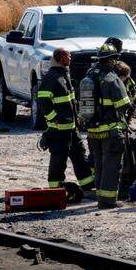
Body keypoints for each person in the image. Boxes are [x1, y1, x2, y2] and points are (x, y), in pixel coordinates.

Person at [36, 48, 95, 194]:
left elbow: (70, 101)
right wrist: (54, 119)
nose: (71, 58)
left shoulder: (64, 75)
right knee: (58, 159)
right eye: (69, 56)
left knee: (79, 155)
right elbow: (43, 101)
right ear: (62, 58)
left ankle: (87, 184)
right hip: (59, 130)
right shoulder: (51, 78)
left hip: (71, 128)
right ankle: (55, 189)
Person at [84, 43, 131, 208]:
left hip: (92, 132)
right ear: (112, 60)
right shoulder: (112, 78)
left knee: (99, 164)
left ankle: (100, 197)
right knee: (112, 165)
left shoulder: (88, 76)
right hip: (110, 131)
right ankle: (108, 201)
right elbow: (123, 104)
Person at [114, 60, 136, 199]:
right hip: (116, 124)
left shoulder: (127, 80)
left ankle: (129, 179)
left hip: (126, 122)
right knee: (121, 155)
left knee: (129, 150)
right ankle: (122, 184)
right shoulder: (113, 83)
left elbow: (134, 93)